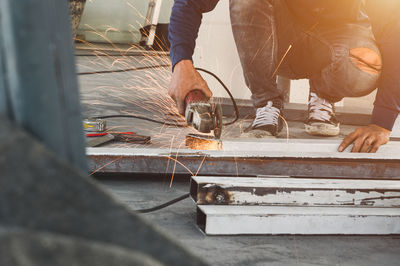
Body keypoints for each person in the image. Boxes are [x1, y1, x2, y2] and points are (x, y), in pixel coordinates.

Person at [168, 0, 400, 153]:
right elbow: (189, 3)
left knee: (366, 65)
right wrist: (182, 65)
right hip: (276, 44)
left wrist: (382, 122)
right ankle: (266, 102)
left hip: (336, 46)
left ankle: (324, 94)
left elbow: (394, 29)